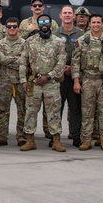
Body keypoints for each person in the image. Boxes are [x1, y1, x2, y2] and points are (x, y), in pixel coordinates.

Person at [20, 13, 67, 152]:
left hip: (51, 83)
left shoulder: (58, 42)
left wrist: (49, 76)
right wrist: (23, 80)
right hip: (34, 82)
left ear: (51, 24)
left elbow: (61, 62)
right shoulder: (30, 41)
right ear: (38, 24)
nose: (44, 24)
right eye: (41, 22)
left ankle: (56, 141)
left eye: (47, 21)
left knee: (54, 112)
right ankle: (30, 140)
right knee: (30, 112)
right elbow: (23, 61)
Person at [73, 14, 103, 151]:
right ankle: (86, 139)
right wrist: (76, 81)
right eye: (94, 22)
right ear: (89, 24)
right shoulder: (82, 41)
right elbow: (75, 62)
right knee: (87, 112)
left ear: (102, 24)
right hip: (87, 80)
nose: (96, 25)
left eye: (99, 22)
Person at [0, 17, 28, 147]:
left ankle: (22, 137)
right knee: (2, 109)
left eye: (14, 26)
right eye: (9, 27)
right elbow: (1, 59)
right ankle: (2, 137)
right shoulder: (0, 44)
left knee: (22, 109)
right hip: (4, 81)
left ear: (18, 28)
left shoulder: (25, 43)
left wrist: (10, 61)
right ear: (6, 28)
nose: (12, 29)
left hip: (20, 80)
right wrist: (16, 60)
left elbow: (25, 60)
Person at [55, 5, 83, 146]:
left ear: (74, 16)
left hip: (74, 77)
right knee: (56, 108)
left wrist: (72, 69)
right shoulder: (54, 34)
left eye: (69, 13)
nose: (67, 15)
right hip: (58, 77)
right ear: (60, 15)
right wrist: (61, 68)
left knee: (75, 108)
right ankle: (56, 137)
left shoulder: (81, 35)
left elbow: (84, 57)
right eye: (64, 13)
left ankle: (76, 135)